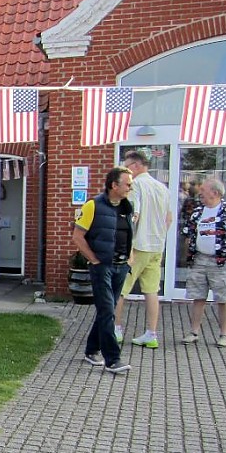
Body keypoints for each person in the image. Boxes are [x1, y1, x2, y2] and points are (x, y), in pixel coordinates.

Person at [72, 166, 134, 374]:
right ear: (114, 185)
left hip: (121, 266)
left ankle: (91, 350)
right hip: (102, 267)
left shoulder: (127, 207)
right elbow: (77, 236)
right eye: (127, 184)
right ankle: (112, 359)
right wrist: (94, 260)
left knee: (106, 310)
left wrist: (130, 257)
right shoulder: (93, 206)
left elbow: (128, 234)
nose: (130, 188)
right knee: (108, 311)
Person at [180, 177, 226, 348]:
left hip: (221, 261)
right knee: (198, 297)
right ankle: (194, 332)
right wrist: (188, 253)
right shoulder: (197, 211)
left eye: (204, 190)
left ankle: (224, 335)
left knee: (223, 298)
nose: (200, 192)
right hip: (199, 260)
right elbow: (188, 234)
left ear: (215, 193)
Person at [114, 150, 172, 348]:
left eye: (127, 167)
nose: (125, 171)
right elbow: (169, 218)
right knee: (151, 290)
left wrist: (124, 242)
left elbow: (133, 215)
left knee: (120, 288)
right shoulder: (162, 188)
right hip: (157, 245)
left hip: (138, 245)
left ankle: (116, 329)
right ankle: (151, 333)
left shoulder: (136, 185)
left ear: (136, 166)